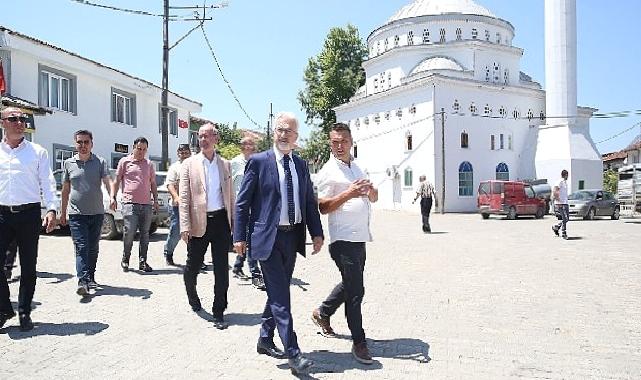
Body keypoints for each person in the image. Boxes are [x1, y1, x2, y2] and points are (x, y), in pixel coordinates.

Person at [234, 112, 324, 375]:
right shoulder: (259, 162)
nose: (284, 135)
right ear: (274, 132)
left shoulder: (300, 165)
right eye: (280, 130)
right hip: (267, 239)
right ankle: (293, 353)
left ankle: (264, 338)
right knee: (282, 297)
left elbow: (308, 201)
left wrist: (316, 233)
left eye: (289, 131)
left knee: (277, 291)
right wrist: (238, 237)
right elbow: (242, 203)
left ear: (296, 137)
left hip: (292, 236)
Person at [311, 122, 378, 365]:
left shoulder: (358, 167)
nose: (339, 146)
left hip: (360, 238)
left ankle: (323, 312)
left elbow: (374, 196)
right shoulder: (328, 170)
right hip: (342, 240)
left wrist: (371, 192)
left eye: (343, 141)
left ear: (351, 142)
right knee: (356, 292)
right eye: (335, 142)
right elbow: (323, 207)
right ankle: (359, 342)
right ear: (330, 143)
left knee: (351, 284)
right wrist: (349, 194)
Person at [0, 107, 57, 331]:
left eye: (22, 118)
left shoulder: (37, 152)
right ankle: (4, 308)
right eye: (13, 118)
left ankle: (24, 312)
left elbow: (47, 183)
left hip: (29, 214)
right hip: (2, 215)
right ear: (3, 122)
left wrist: (51, 209)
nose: (19, 122)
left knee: (28, 266)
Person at [179, 123, 234, 330]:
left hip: (220, 221)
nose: (203, 140)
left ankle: (219, 311)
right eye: (200, 136)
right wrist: (184, 225)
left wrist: (234, 226)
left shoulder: (225, 164)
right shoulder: (189, 164)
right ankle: (193, 298)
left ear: (216, 138)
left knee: (222, 269)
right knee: (192, 266)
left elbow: (230, 197)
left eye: (207, 136)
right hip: (198, 223)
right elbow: (184, 197)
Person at [59, 130, 112, 296]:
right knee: (81, 246)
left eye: (86, 142)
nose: (83, 145)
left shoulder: (100, 162)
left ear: (91, 144)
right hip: (76, 214)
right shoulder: (68, 163)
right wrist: (62, 213)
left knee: (93, 248)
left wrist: (113, 196)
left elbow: (107, 181)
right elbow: (65, 189)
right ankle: (82, 280)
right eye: (79, 142)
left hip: (96, 213)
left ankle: (90, 276)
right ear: (75, 144)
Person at [111, 137, 159, 273]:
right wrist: (112, 197)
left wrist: (155, 200)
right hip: (129, 203)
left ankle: (143, 261)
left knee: (145, 234)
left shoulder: (149, 164)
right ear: (134, 147)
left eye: (144, 149)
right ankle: (126, 258)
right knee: (130, 232)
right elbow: (117, 180)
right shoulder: (124, 161)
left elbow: (153, 184)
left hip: (146, 204)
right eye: (139, 149)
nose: (141, 152)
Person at [230, 136, 265, 290]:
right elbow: (228, 186)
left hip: (256, 208)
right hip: (240, 208)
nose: (250, 146)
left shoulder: (259, 162)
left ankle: (239, 267)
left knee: (251, 240)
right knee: (246, 239)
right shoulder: (234, 163)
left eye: (252, 144)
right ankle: (254, 272)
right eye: (247, 144)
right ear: (241, 146)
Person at [163, 144, 191, 266]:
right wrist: (176, 197)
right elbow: (170, 185)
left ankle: (195, 258)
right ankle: (168, 253)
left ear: (190, 152)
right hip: (177, 206)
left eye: (186, 152)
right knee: (176, 232)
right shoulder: (175, 167)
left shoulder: (195, 165)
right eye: (181, 152)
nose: (183, 154)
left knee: (195, 233)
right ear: (178, 153)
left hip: (193, 206)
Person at [552, 169, 569, 240]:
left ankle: (556, 227)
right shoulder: (560, 182)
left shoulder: (565, 182)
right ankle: (564, 233)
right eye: (567, 175)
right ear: (565, 175)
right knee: (565, 218)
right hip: (561, 203)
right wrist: (558, 201)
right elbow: (555, 190)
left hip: (565, 203)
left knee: (567, 219)